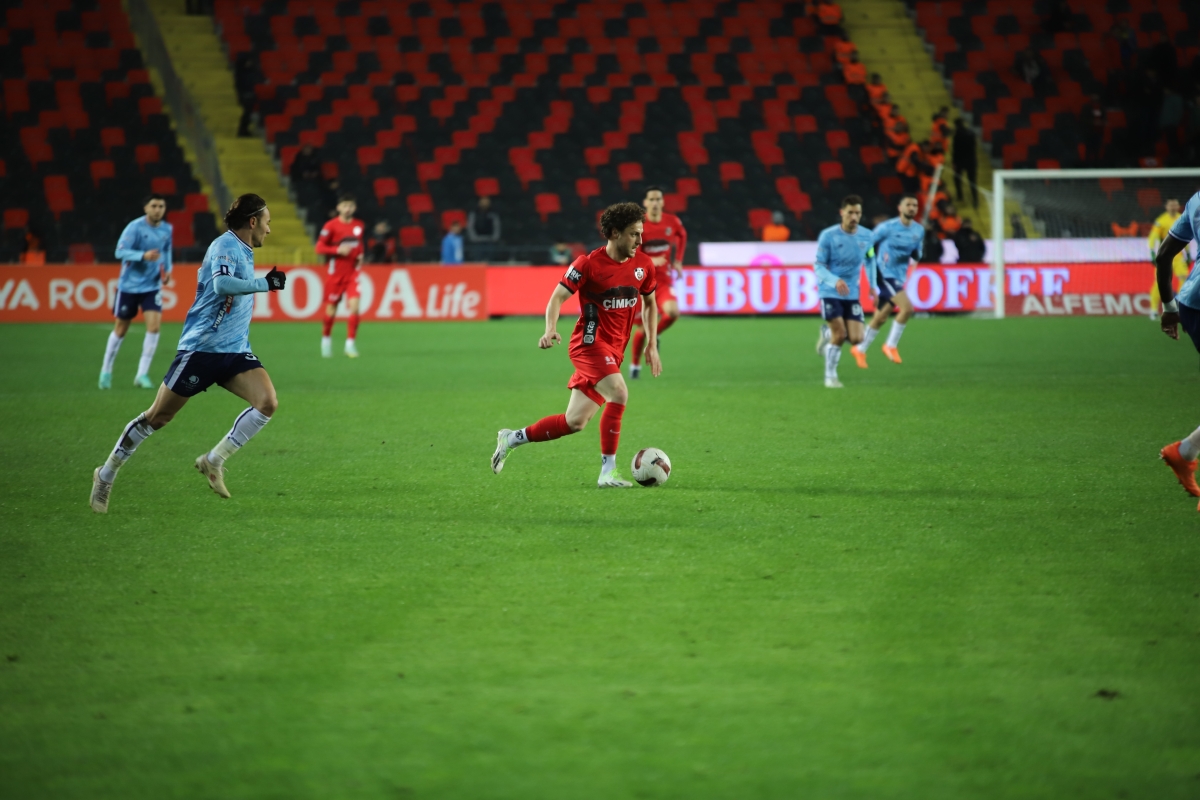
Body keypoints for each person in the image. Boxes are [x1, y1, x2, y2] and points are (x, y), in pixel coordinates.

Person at [89, 194, 287, 513]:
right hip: (201, 349)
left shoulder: (245, 249)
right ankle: (106, 473)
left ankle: (213, 460)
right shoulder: (224, 246)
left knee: (267, 403)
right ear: (253, 222)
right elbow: (222, 285)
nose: (269, 229)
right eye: (267, 222)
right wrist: (264, 284)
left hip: (235, 352)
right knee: (158, 416)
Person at [491, 202, 660, 488]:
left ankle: (511, 438)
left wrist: (652, 344)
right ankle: (608, 471)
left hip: (614, 351)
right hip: (589, 344)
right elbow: (557, 297)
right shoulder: (588, 264)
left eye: (641, 234)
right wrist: (550, 329)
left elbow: (651, 304)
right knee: (619, 392)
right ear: (615, 233)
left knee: (575, 422)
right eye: (634, 234)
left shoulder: (643, 265)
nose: (640, 241)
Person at [1151, 191, 1200, 511]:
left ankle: (1184, 452)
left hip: (1191, 303)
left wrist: (1169, 307)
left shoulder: (1196, 200)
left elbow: (1163, 255)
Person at [100, 194, 174, 390]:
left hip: (152, 286)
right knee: (121, 329)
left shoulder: (167, 229)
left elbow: (166, 251)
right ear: (146, 209)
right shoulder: (135, 227)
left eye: (161, 206)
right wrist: (143, 255)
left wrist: (167, 271)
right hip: (129, 287)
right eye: (154, 206)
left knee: (154, 327)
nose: (158, 209)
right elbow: (120, 252)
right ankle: (106, 370)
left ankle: (142, 374)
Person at [851, 194, 922, 369]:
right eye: (908, 205)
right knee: (907, 308)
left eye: (914, 205)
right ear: (900, 208)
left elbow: (917, 254)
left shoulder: (918, 230)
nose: (911, 208)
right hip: (884, 274)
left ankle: (860, 349)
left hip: (898, 276)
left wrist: (915, 253)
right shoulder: (887, 227)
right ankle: (890, 345)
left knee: (881, 317)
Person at [814, 195, 873, 389]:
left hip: (852, 294)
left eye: (858, 213)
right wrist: (835, 280)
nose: (854, 217)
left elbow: (870, 259)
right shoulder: (828, 236)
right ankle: (830, 377)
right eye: (850, 213)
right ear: (842, 213)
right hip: (830, 291)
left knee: (857, 338)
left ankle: (827, 333)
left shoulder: (867, 236)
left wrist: (873, 285)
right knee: (839, 334)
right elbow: (819, 266)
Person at [629, 185, 686, 379]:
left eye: (658, 199)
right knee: (640, 327)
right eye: (651, 199)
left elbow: (682, 235)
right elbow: (631, 253)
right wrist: (650, 261)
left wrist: (678, 260)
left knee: (672, 313)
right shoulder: (638, 225)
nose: (655, 203)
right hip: (640, 281)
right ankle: (634, 366)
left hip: (661, 280)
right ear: (645, 203)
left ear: (662, 202)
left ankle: (655, 335)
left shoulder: (672, 221)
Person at [315, 194, 365, 358]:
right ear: (339, 208)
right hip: (335, 274)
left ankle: (350, 345)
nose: (348, 209)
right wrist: (337, 250)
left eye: (350, 206)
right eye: (345, 205)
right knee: (331, 310)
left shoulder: (359, 225)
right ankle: (326, 341)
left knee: (355, 308)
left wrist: (360, 254)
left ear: (354, 208)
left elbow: (359, 244)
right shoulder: (331, 226)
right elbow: (319, 247)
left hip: (352, 273)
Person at [1148, 197, 1192, 319]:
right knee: (1160, 282)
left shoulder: (1182, 218)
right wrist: (1152, 253)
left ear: (1178, 206)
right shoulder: (1161, 221)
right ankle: (1153, 310)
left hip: (1178, 256)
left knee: (1184, 279)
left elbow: (1186, 238)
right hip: (1164, 256)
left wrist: (1188, 254)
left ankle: (1179, 305)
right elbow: (1153, 238)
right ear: (1166, 206)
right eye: (1171, 205)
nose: (1173, 207)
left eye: (1175, 205)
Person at [952, 118, 978, 207]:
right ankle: (975, 200)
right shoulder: (971, 133)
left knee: (957, 179)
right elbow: (974, 146)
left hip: (960, 161)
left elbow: (955, 150)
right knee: (972, 181)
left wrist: (954, 162)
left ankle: (960, 196)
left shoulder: (957, 135)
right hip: (971, 161)